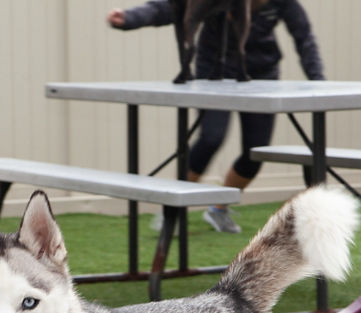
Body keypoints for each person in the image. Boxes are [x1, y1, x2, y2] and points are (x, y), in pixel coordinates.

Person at [108, 0, 325, 233]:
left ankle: (218, 210)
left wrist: (319, 82)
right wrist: (130, 18)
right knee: (211, 137)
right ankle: (172, 208)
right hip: (214, 74)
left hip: (261, 76)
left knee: (256, 151)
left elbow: (304, 38)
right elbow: (171, 8)